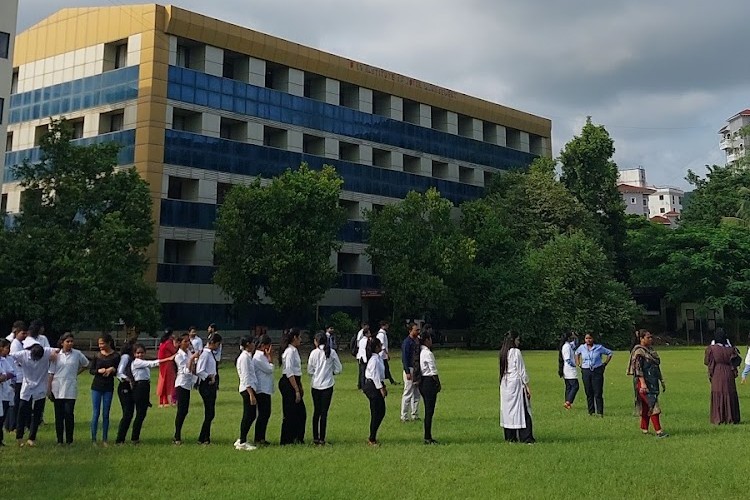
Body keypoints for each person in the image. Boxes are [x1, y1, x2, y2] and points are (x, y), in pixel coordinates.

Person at [8, 340, 58, 446]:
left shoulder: (46, 352)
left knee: (37, 413)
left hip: (40, 387)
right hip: (27, 386)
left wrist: (54, 354)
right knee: (22, 411)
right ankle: (19, 437)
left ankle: (32, 437)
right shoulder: (23, 354)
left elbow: (58, 350)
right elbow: (9, 356)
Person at [48, 333, 89, 445]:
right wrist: (49, 388)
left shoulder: (77, 354)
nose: (70, 343)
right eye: (68, 341)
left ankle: (69, 440)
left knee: (69, 413)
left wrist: (75, 373)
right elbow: (51, 373)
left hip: (70, 386)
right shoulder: (56, 355)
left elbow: (86, 364)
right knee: (59, 415)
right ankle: (60, 440)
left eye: (71, 341)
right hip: (57, 387)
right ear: (62, 343)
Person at [129, 343, 175, 444]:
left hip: (145, 387)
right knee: (140, 414)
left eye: (142, 353)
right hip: (139, 387)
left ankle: (135, 437)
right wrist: (168, 359)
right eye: (138, 353)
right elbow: (153, 363)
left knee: (142, 413)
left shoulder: (142, 362)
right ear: (134, 354)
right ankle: (134, 438)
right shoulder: (137, 363)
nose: (140, 355)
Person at [627, 330, 668, 438]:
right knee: (653, 405)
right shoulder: (638, 352)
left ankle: (644, 428)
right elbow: (637, 369)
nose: (650, 339)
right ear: (641, 338)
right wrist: (643, 383)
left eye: (651, 337)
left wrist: (661, 380)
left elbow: (655, 367)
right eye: (648, 337)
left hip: (652, 381)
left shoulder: (650, 350)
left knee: (646, 406)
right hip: (643, 383)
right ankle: (659, 431)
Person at [308, 331, 342, 446]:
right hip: (327, 385)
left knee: (316, 412)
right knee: (324, 413)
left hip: (315, 385)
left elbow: (309, 370)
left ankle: (315, 438)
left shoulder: (313, 353)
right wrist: (331, 372)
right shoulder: (331, 352)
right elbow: (339, 368)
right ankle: (322, 438)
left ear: (316, 341)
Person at [499, 331, 534, 444]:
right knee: (523, 409)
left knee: (508, 411)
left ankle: (510, 436)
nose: (519, 342)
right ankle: (526, 437)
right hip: (515, 384)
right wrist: (527, 386)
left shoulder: (503, 352)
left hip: (505, 383)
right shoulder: (516, 352)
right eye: (517, 340)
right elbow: (521, 370)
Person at [704, 328, 741, 424]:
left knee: (718, 393)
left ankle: (719, 417)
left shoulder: (712, 349)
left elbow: (707, 361)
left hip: (718, 372)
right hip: (729, 372)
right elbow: (736, 360)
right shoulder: (731, 349)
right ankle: (731, 417)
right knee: (729, 393)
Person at [89, 333, 120, 446]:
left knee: (106, 413)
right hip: (96, 386)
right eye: (99, 344)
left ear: (108, 343)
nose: (100, 346)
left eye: (102, 343)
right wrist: (99, 371)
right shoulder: (97, 355)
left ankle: (105, 439)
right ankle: (93, 439)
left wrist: (112, 369)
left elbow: (119, 372)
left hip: (108, 387)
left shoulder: (116, 356)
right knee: (95, 413)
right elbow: (91, 370)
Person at [575, 333, 613, 417]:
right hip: (586, 370)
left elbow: (610, 353)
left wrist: (605, 363)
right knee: (588, 391)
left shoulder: (599, 347)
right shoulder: (582, 347)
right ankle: (590, 411)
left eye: (590, 338)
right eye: (586, 338)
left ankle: (600, 412)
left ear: (593, 339)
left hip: (597, 370)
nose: (588, 340)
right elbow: (576, 353)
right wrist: (578, 363)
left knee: (598, 392)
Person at [279, 328, 306, 445]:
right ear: (294, 337)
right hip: (289, 382)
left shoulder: (294, 350)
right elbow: (289, 371)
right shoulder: (290, 351)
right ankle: (287, 439)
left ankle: (296, 437)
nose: (301, 339)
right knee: (290, 413)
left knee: (300, 412)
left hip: (295, 380)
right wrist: (296, 390)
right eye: (299, 337)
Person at [173, 334, 199, 445]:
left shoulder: (188, 353)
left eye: (188, 341)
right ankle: (177, 435)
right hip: (181, 383)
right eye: (185, 341)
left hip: (188, 384)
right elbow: (186, 370)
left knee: (185, 410)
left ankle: (178, 434)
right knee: (181, 410)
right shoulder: (179, 356)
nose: (188, 343)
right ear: (180, 343)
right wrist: (192, 359)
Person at [196, 333, 222, 445]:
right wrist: (209, 376)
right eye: (217, 344)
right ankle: (203, 438)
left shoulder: (210, 353)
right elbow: (199, 370)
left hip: (211, 383)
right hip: (206, 385)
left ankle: (205, 437)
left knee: (210, 413)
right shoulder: (205, 354)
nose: (218, 346)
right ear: (212, 343)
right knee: (209, 413)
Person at [235, 336, 258, 451]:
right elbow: (245, 376)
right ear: (248, 344)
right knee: (248, 415)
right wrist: (251, 394)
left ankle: (242, 438)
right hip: (247, 389)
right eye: (252, 343)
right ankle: (242, 441)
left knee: (251, 414)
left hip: (250, 388)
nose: (254, 345)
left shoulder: (247, 357)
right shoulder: (244, 358)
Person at [363, 336, 387, 446]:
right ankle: (372, 438)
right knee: (377, 411)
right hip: (372, 386)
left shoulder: (377, 358)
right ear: (376, 347)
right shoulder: (374, 360)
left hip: (376, 385)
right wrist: (381, 388)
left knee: (380, 411)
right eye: (380, 345)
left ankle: (373, 436)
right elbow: (375, 375)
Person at [418, 330, 441, 444]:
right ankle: (427, 436)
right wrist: (438, 383)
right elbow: (433, 370)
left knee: (428, 410)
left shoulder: (420, 352)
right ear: (427, 340)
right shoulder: (427, 353)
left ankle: (428, 435)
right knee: (429, 411)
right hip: (429, 381)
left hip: (422, 381)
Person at [253, 334, 274, 446]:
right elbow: (270, 369)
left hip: (265, 388)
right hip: (262, 389)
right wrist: (270, 358)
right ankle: (259, 437)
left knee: (266, 413)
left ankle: (261, 437)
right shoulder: (259, 357)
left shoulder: (262, 356)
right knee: (263, 414)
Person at [115, 342, 135, 444]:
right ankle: (120, 439)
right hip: (125, 386)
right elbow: (119, 372)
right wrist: (128, 379)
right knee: (127, 413)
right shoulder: (126, 357)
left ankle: (122, 438)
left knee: (130, 413)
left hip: (131, 386)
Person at [401, 323, 421, 422]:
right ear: (410, 331)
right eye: (416, 330)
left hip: (417, 369)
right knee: (408, 392)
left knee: (416, 392)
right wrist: (407, 371)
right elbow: (404, 358)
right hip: (410, 368)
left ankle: (415, 414)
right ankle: (404, 415)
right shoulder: (407, 342)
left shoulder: (417, 341)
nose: (418, 331)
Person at [558, 331, 579, 410]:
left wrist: (576, 336)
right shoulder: (566, 346)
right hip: (569, 369)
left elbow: (576, 344)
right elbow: (567, 359)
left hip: (567, 369)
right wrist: (574, 365)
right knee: (575, 386)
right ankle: (568, 401)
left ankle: (567, 403)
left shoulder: (569, 345)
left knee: (569, 387)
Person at [156, 329, 177, 407]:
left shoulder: (162, 343)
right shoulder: (168, 343)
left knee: (163, 382)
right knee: (169, 383)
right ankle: (170, 401)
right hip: (168, 364)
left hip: (163, 364)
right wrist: (174, 341)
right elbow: (174, 351)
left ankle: (162, 401)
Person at [0, 339, 15, 446]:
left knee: (2, 417)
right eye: (6, 348)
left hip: (4, 392)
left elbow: (11, 373)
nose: (8, 350)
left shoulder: (4, 360)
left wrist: (4, 377)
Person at [377, 321, 398, 385]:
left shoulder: (383, 334)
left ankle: (391, 380)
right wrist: (387, 354)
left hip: (383, 354)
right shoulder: (381, 334)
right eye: (386, 325)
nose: (387, 327)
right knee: (384, 368)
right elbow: (382, 345)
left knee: (386, 368)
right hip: (382, 354)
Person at [356, 325, 371, 390]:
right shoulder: (365, 341)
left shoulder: (363, 340)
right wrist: (366, 360)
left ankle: (360, 385)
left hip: (361, 357)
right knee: (363, 372)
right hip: (363, 358)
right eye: (369, 333)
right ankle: (363, 385)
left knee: (362, 372)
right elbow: (364, 350)